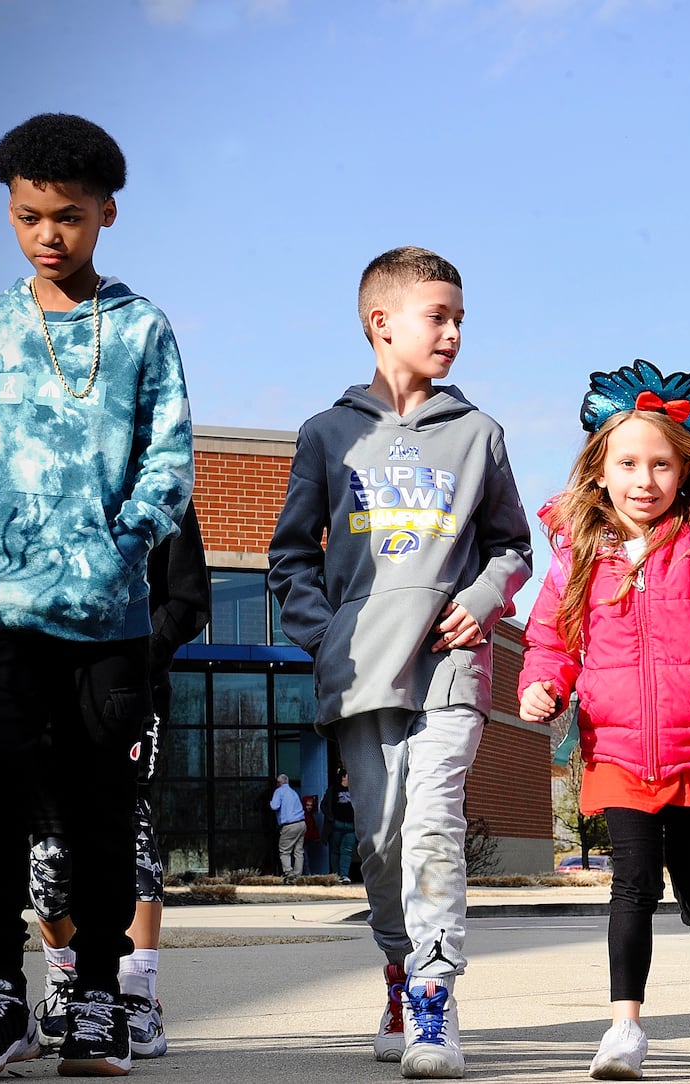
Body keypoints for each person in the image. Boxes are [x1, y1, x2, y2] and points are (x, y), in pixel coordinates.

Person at [0, 112, 194, 1077]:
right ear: (9, 211)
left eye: (69, 217)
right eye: (31, 215)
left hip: (108, 618)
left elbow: (170, 459)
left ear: (105, 214)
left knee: (98, 805)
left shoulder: (140, 330)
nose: (49, 234)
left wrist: (122, 545)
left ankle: (95, 1002)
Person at [267, 246, 533, 1079]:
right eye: (438, 316)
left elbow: (513, 546)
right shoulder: (326, 434)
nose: (453, 332)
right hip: (359, 676)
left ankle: (433, 997)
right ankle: (396, 969)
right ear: (381, 323)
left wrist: (482, 604)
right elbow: (288, 560)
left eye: (460, 318)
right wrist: (327, 638)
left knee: (432, 829)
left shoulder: (478, 433)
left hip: (452, 669)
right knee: (380, 842)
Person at [517, 360, 690, 1079]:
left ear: (686, 472)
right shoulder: (577, 558)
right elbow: (550, 638)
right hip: (614, 750)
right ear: (600, 470)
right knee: (633, 886)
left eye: (662, 465)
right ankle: (625, 1031)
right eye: (629, 463)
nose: (645, 480)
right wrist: (543, 682)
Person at [30, 504, 210, 1061]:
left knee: (126, 827)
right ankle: (66, 980)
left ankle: (137, 993)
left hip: (131, 685)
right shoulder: (39, 465)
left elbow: (187, 597)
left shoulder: (158, 480)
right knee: (50, 847)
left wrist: (138, 654)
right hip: (45, 682)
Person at [270, 774, 307, 883]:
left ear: (279, 783)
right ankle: (298, 874)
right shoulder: (294, 792)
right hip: (301, 823)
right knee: (299, 851)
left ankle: (289, 873)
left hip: (289, 825)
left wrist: (270, 802)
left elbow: (274, 806)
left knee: (284, 851)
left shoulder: (279, 791)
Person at [325, 767, 357, 884]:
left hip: (351, 826)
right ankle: (336, 875)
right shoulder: (333, 790)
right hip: (337, 824)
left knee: (347, 850)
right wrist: (331, 819)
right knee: (335, 851)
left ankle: (344, 875)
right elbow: (325, 805)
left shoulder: (355, 790)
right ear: (343, 777)